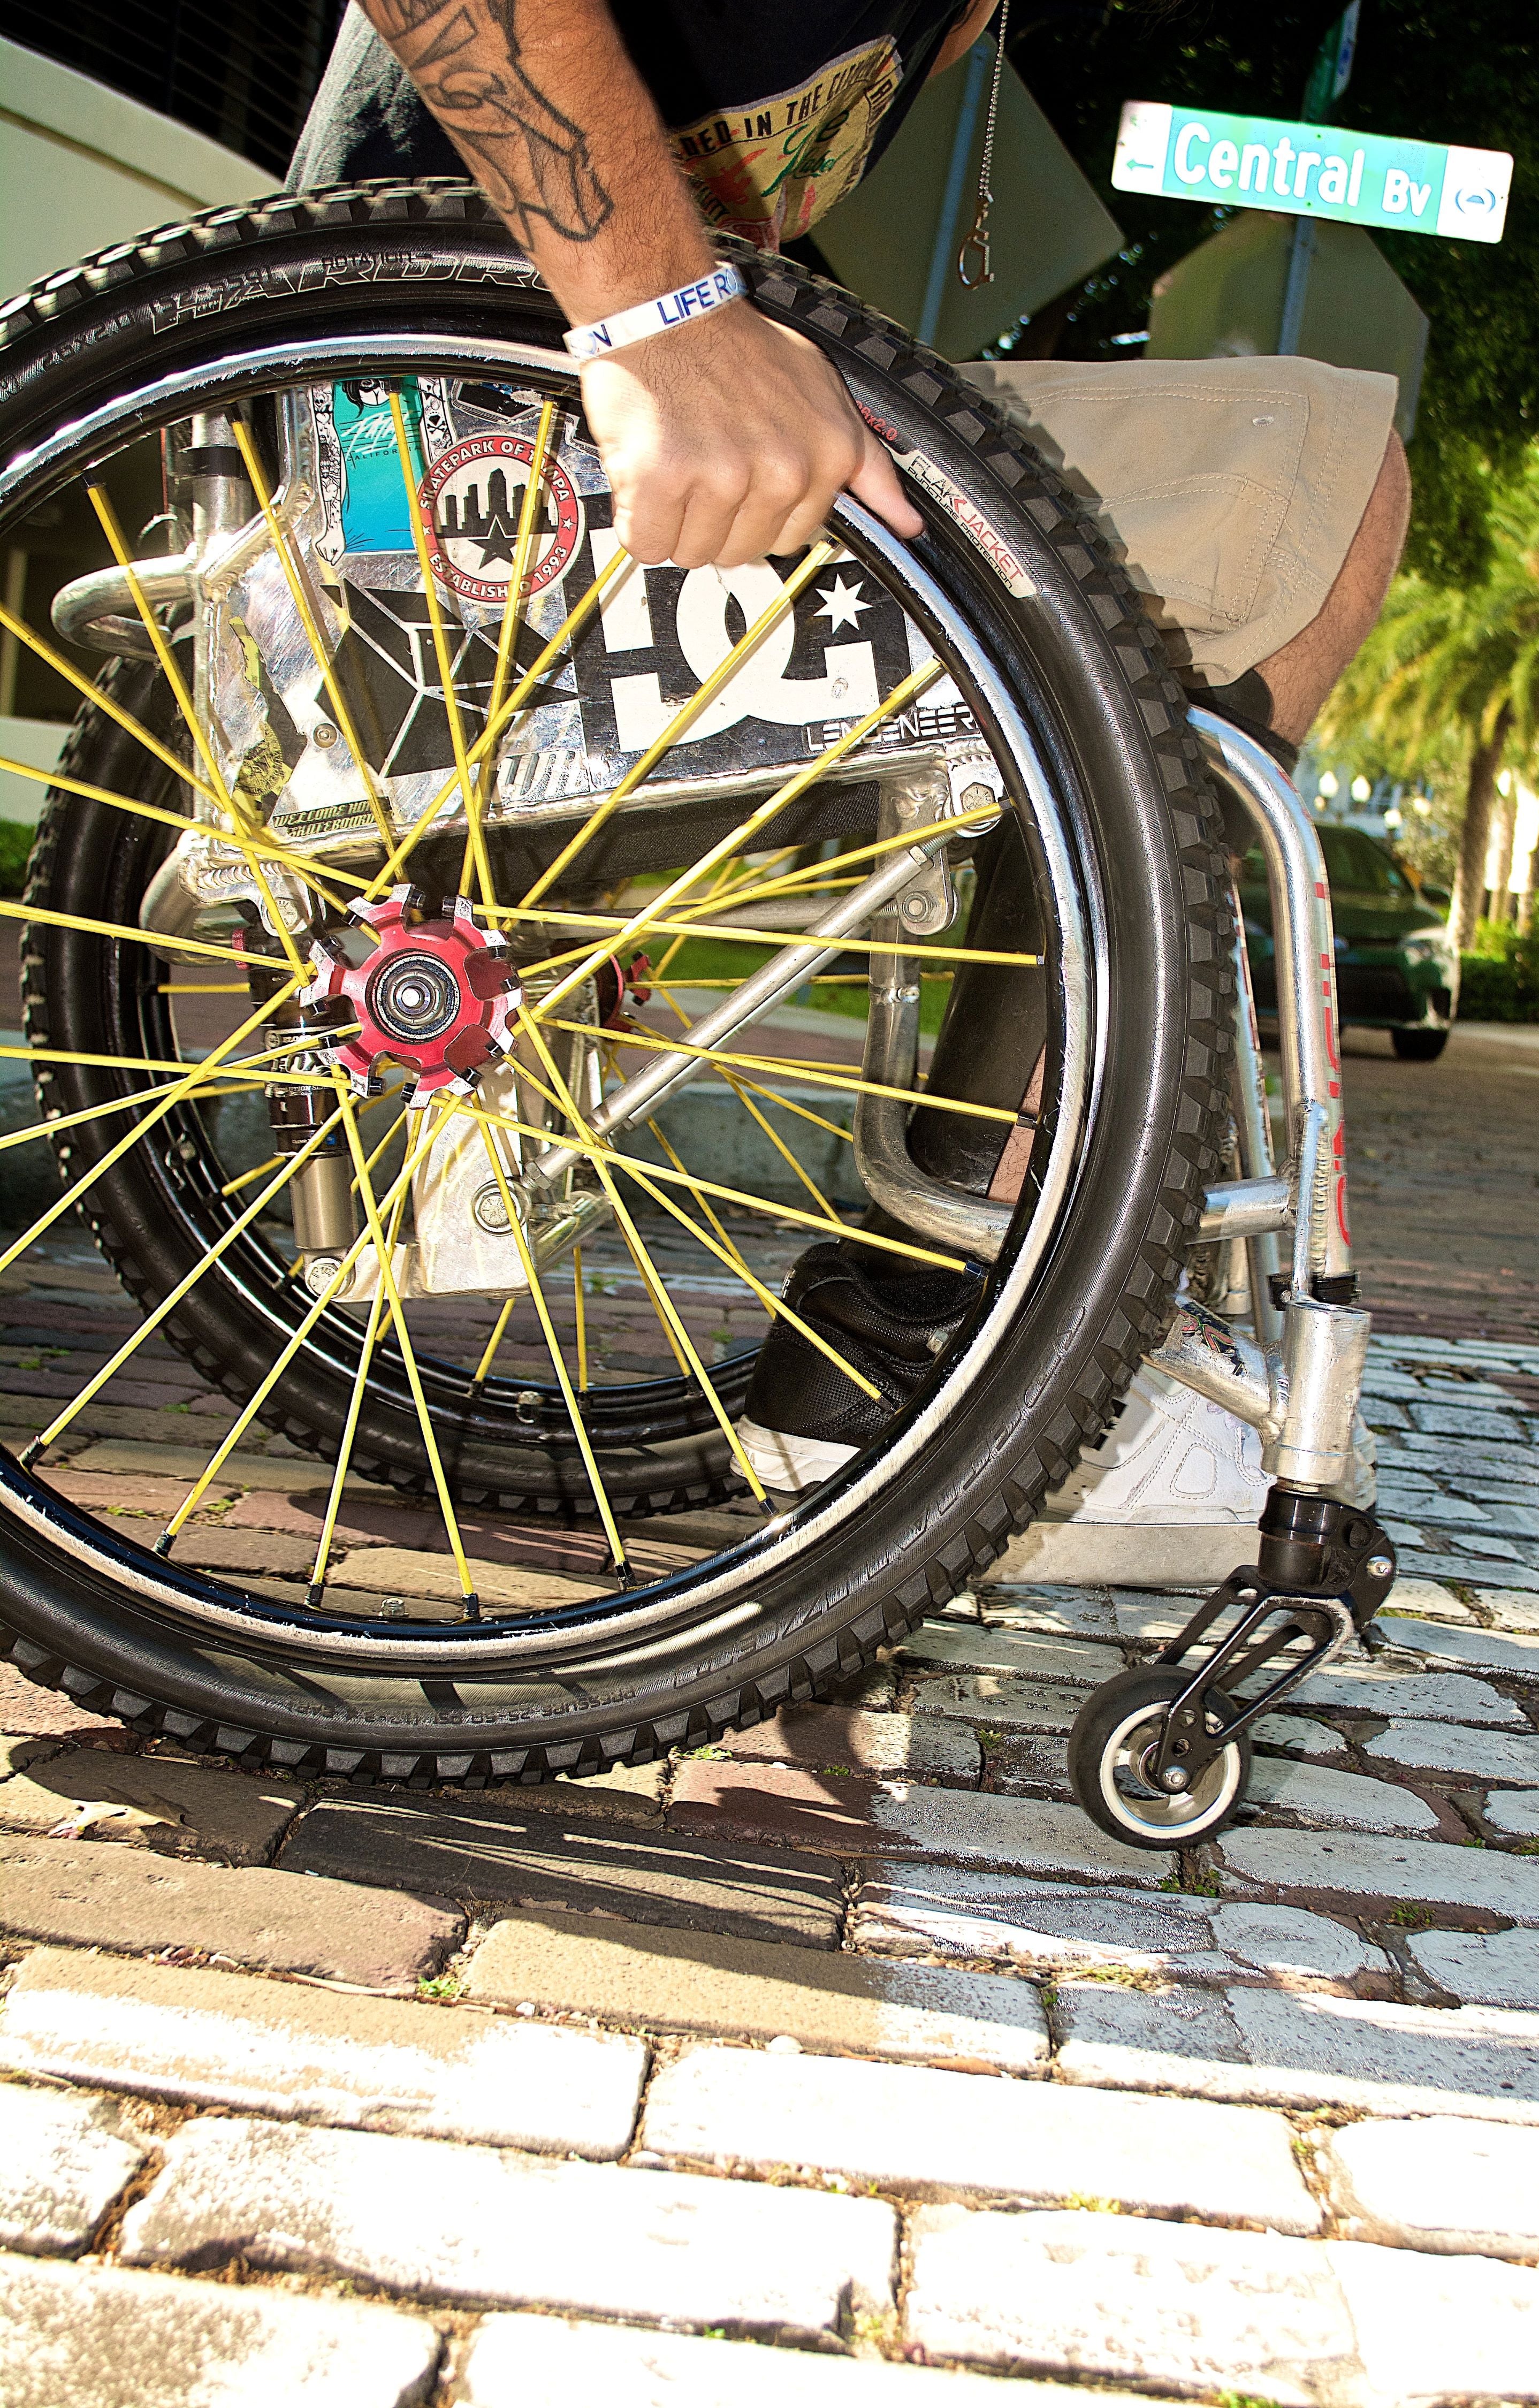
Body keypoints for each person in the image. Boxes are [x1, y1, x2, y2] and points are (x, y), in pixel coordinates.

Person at [294, 0, 1407, 1527]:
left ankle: (945, 1317)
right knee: (1329, 485)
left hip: (475, 497)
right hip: (445, 493)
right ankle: (949, 1338)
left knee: (1050, 532)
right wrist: (653, 316)